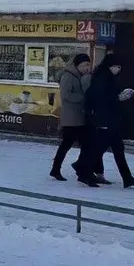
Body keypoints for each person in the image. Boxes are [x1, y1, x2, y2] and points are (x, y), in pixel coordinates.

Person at [86, 54, 134, 189]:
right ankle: (83, 169)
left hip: (113, 119)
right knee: (99, 149)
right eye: (116, 66)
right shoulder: (101, 78)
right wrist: (118, 98)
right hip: (105, 118)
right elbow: (99, 98)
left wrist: (123, 96)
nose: (118, 69)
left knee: (118, 149)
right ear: (109, 66)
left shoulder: (111, 78)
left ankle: (127, 178)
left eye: (119, 67)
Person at [51, 54, 95, 185]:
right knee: (67, 144)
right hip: (71, 117)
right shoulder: (68, 76)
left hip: (79, 116)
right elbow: (66, 95)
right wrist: (83, 97)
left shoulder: (82, 76)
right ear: (77, 65)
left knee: (84, 144)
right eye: (84, 65)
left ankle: (80, 169)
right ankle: (57, 169)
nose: (87, 68)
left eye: (88, 65)